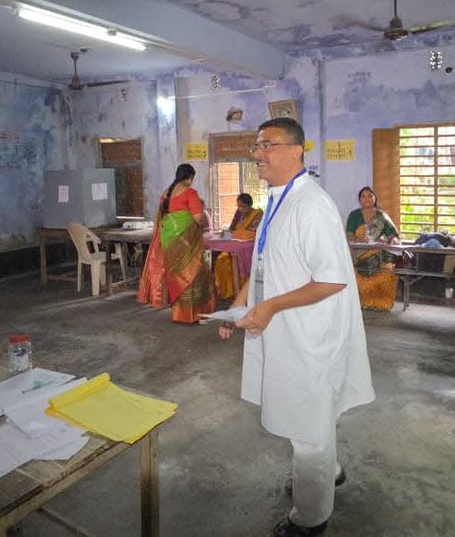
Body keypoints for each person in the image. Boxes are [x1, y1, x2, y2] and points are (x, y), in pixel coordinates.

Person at [218, 118, 375, 536]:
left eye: (267, 145)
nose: (257, 154)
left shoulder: (313, 205)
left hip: (310, 333)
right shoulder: (276, 199)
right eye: (256, 146)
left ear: (297, 150)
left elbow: (332, 279)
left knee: (309, 423)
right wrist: (240, 302)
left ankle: (310, 518)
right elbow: (268, 258)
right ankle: (328, 472)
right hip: (285, 328)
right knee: (306, 414)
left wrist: (270, 306)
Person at [137, 163, 216, 323]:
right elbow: (197, 218)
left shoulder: (165, 194)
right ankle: (193, 315)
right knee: (192, 274)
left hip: (168, 241)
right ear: (190, 177)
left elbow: (163, 218)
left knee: (176, 275)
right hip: (186, 242)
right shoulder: (190, 193)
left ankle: (179, 314)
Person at [345, 186, 401, 312]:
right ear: (359, 200)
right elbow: (349, 235)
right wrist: (360, 240)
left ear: (375, 198)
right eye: (363, 196)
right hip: (358, 254)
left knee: (387, 272)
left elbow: (394, 236)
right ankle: (362, 302)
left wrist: (389, 240)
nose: (367, 199)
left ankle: (381, 303)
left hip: (379, 254)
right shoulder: (354, 215)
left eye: (370, 195)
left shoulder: (382, 216)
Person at [215, 193, 263, 299]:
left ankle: (240, 294)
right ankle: (228, 293)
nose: (240, 209)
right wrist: (226, 232)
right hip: (235, 247)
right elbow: (232, 228)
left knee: (235, 262)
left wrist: (236, 233)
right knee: (221, 259)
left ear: (249, 205)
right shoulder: (238, 213)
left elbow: (253, 233)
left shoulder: (257, 214)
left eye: (243, 206)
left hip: (249, 248)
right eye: (238, 206)